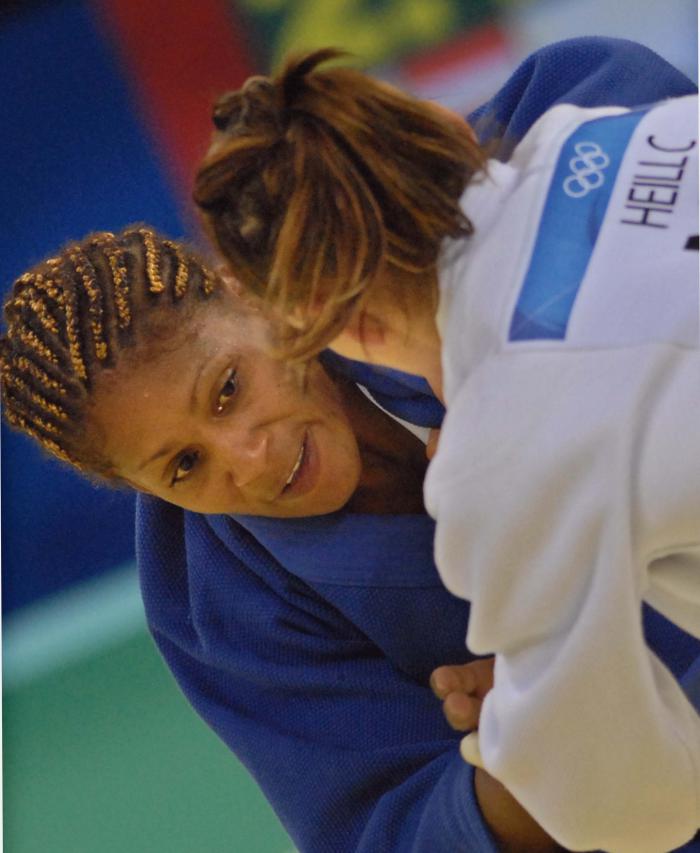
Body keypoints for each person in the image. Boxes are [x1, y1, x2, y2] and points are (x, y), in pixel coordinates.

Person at [4, 39, 698, 853]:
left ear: (245, 293)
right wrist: (538, 718)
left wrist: (548, 711)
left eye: (228, 387)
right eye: (185, 467)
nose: (250, 458)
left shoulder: (494, 158)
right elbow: (391, 833)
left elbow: (620, 793)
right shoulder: (220, 599)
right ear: (134, 486)